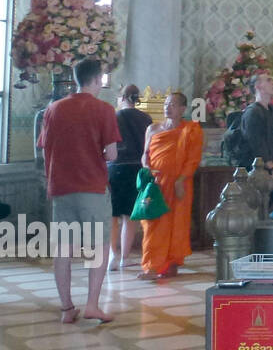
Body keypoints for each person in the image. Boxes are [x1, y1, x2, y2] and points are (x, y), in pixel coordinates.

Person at [37, 57, 119, 324]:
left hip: (60, 187)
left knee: (63, 249)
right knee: (99, 247)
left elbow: (45, 147)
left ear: (75, 78)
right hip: (91, 186)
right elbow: (112, 153)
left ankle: (66, 309)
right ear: (97, 79)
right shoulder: (103, 109)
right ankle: (92, 305)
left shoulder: (53, 109)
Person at [138, 91, 204, 281]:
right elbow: (145, 154)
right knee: (153, 223)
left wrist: (180, 180)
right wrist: (147, 168)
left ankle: (172, 262)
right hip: (156, 185)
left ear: (183, 109)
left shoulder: (191, 130)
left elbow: (193, 160)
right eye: (166, 104)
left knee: (178, 223)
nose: (168, 107)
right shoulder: (153, 128)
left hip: (179, 184)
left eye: (173, 104)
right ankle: (151, 266)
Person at [107, 84, 151, 270]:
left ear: (121, 97)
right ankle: (125, 257)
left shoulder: (114, 117)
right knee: (130, 217)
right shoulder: (145, 118)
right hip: (136, 168)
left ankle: (112, 256)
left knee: (113, 215)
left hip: (115, 168)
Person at [241, 73, 273, 206]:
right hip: (258, 174)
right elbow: (257, 145)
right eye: (269, 80)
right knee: (258, 211)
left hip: (272, 171)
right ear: (258, 86)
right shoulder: (252, 112)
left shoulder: (270, 111)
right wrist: (272, 169)